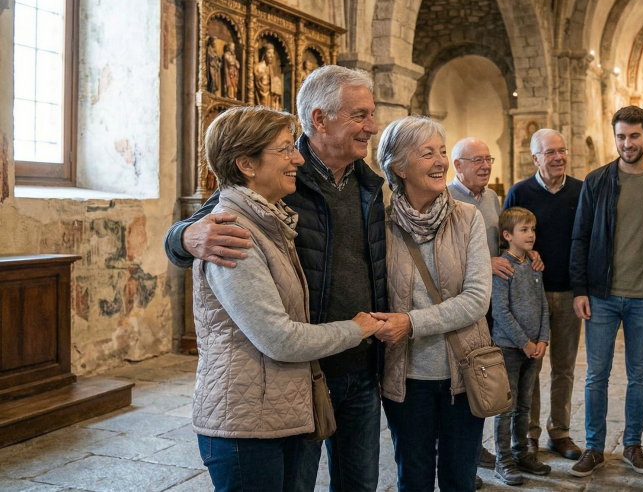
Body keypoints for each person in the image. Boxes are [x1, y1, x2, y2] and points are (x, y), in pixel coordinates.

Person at [164, 66, 387, 492]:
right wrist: (184, 235)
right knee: (295, 482)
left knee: (360, 484)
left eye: (370, 115)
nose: (371, 127)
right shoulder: (272, 178)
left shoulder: (371, 185)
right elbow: (204, 226)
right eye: (360, 116)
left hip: (360, 364)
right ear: (320, 120)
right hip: (300, 369)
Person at [373, 115, 492, 492]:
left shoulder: (468, 219)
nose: (440, 161)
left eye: (442, 151)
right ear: (398, 166)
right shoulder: (380, 225)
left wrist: (410, 322)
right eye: (428, 153)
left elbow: (476, 299)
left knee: (460, 480)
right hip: (407, 380)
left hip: (465, 371)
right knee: (414, 479)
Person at [569, 106, 643, 477]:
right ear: (615, 138)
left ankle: (632, 445)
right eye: (621, 137)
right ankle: (594, 448)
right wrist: (580, 289)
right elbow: (580, 238)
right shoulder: (597, 181)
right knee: (597, 374)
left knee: (638, 375)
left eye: (634, 136)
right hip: (602, 296)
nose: (628, 143)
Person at [449, 137, 541, 473]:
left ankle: (481, 450)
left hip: (492, 305)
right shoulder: (445, 197)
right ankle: (463, 458)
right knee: (464, 384)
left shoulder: (491, 197)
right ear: (457, 165)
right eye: (477, 160)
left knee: (491, 382)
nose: (486, 166)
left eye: (488, 159)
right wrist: (484, 263)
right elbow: (441, 255)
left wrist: (525, 252)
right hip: (460, 303)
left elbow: (504, 241)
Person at [503, 129, 584, 461]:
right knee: (530, 367)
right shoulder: (520, 192)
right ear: (534, 157)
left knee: (564, 367)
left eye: (561, 150)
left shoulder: (581, 191)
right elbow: (504, 240)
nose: (557, 157)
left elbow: (588, 239)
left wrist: (584, 289)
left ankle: (560, 432)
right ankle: (529, 433)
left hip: (567, 293)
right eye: (549, 152)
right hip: (528, 297)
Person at [490, 207, 551, 485]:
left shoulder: (533, 264)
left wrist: (542, 339)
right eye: (524, 230)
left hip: (532, 349)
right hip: (509, 348)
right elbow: (500, 311)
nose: (531, 235)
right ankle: (502, 460)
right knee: (507, 406)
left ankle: (521, 452)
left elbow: (543, 306)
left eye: (533, 229)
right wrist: (524, 342)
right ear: (507, 235)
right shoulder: (503, 267)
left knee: (525, 405)